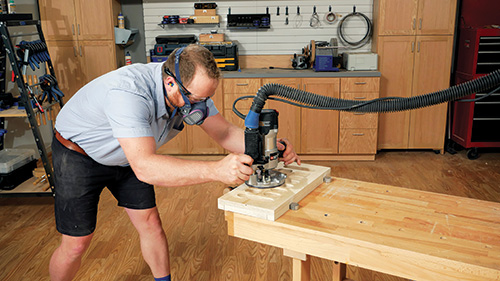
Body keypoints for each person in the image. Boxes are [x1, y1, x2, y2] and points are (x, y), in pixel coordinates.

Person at [49, 44, 300, 281]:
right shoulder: (128, 93)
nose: (202, 106)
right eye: (197, 99)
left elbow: (223, 133)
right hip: (79, 155)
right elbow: (145, 167)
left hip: (131, 156)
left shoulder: (189, 89)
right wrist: (215, 170)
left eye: (207, 98)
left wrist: (270, 149)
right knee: (76, 243)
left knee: (150, 224)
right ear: (171, 82)